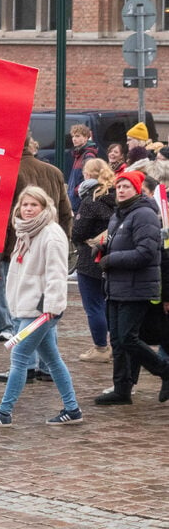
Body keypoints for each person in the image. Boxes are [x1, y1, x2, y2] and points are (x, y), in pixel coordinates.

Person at [0, 186, 82, 426]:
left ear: (44, 208)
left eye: (34, 205)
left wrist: (51, 307)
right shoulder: (27, 232)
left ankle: (4, 412)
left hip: (40, 309)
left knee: (20, 355)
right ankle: (72, 409)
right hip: (29, 307)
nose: (28, 209)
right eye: (25, 205)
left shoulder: (51, 234)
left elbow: (57, 274)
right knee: (53, 359)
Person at [95, 170, 168, 405]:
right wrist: (103, 250)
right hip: (116, 286)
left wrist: (112, 259)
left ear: (137, 189)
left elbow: (146, 252)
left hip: (137, 288)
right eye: (119, 187)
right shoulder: (119, 215)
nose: (121, 190)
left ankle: (164, 370)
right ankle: (122, 389)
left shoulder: (144, 214)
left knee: (128, 338)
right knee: (117, 340)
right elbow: (120, 246)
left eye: (126, 186)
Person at [71, 158, 116, 363]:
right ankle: (116, 345)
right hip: (114, 257)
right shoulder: (117, 196)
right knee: (110, 305)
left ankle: (100, 347)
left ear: (88, 175)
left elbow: (78, 232)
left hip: (90, 259)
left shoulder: (91, 200)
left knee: (94, 306)